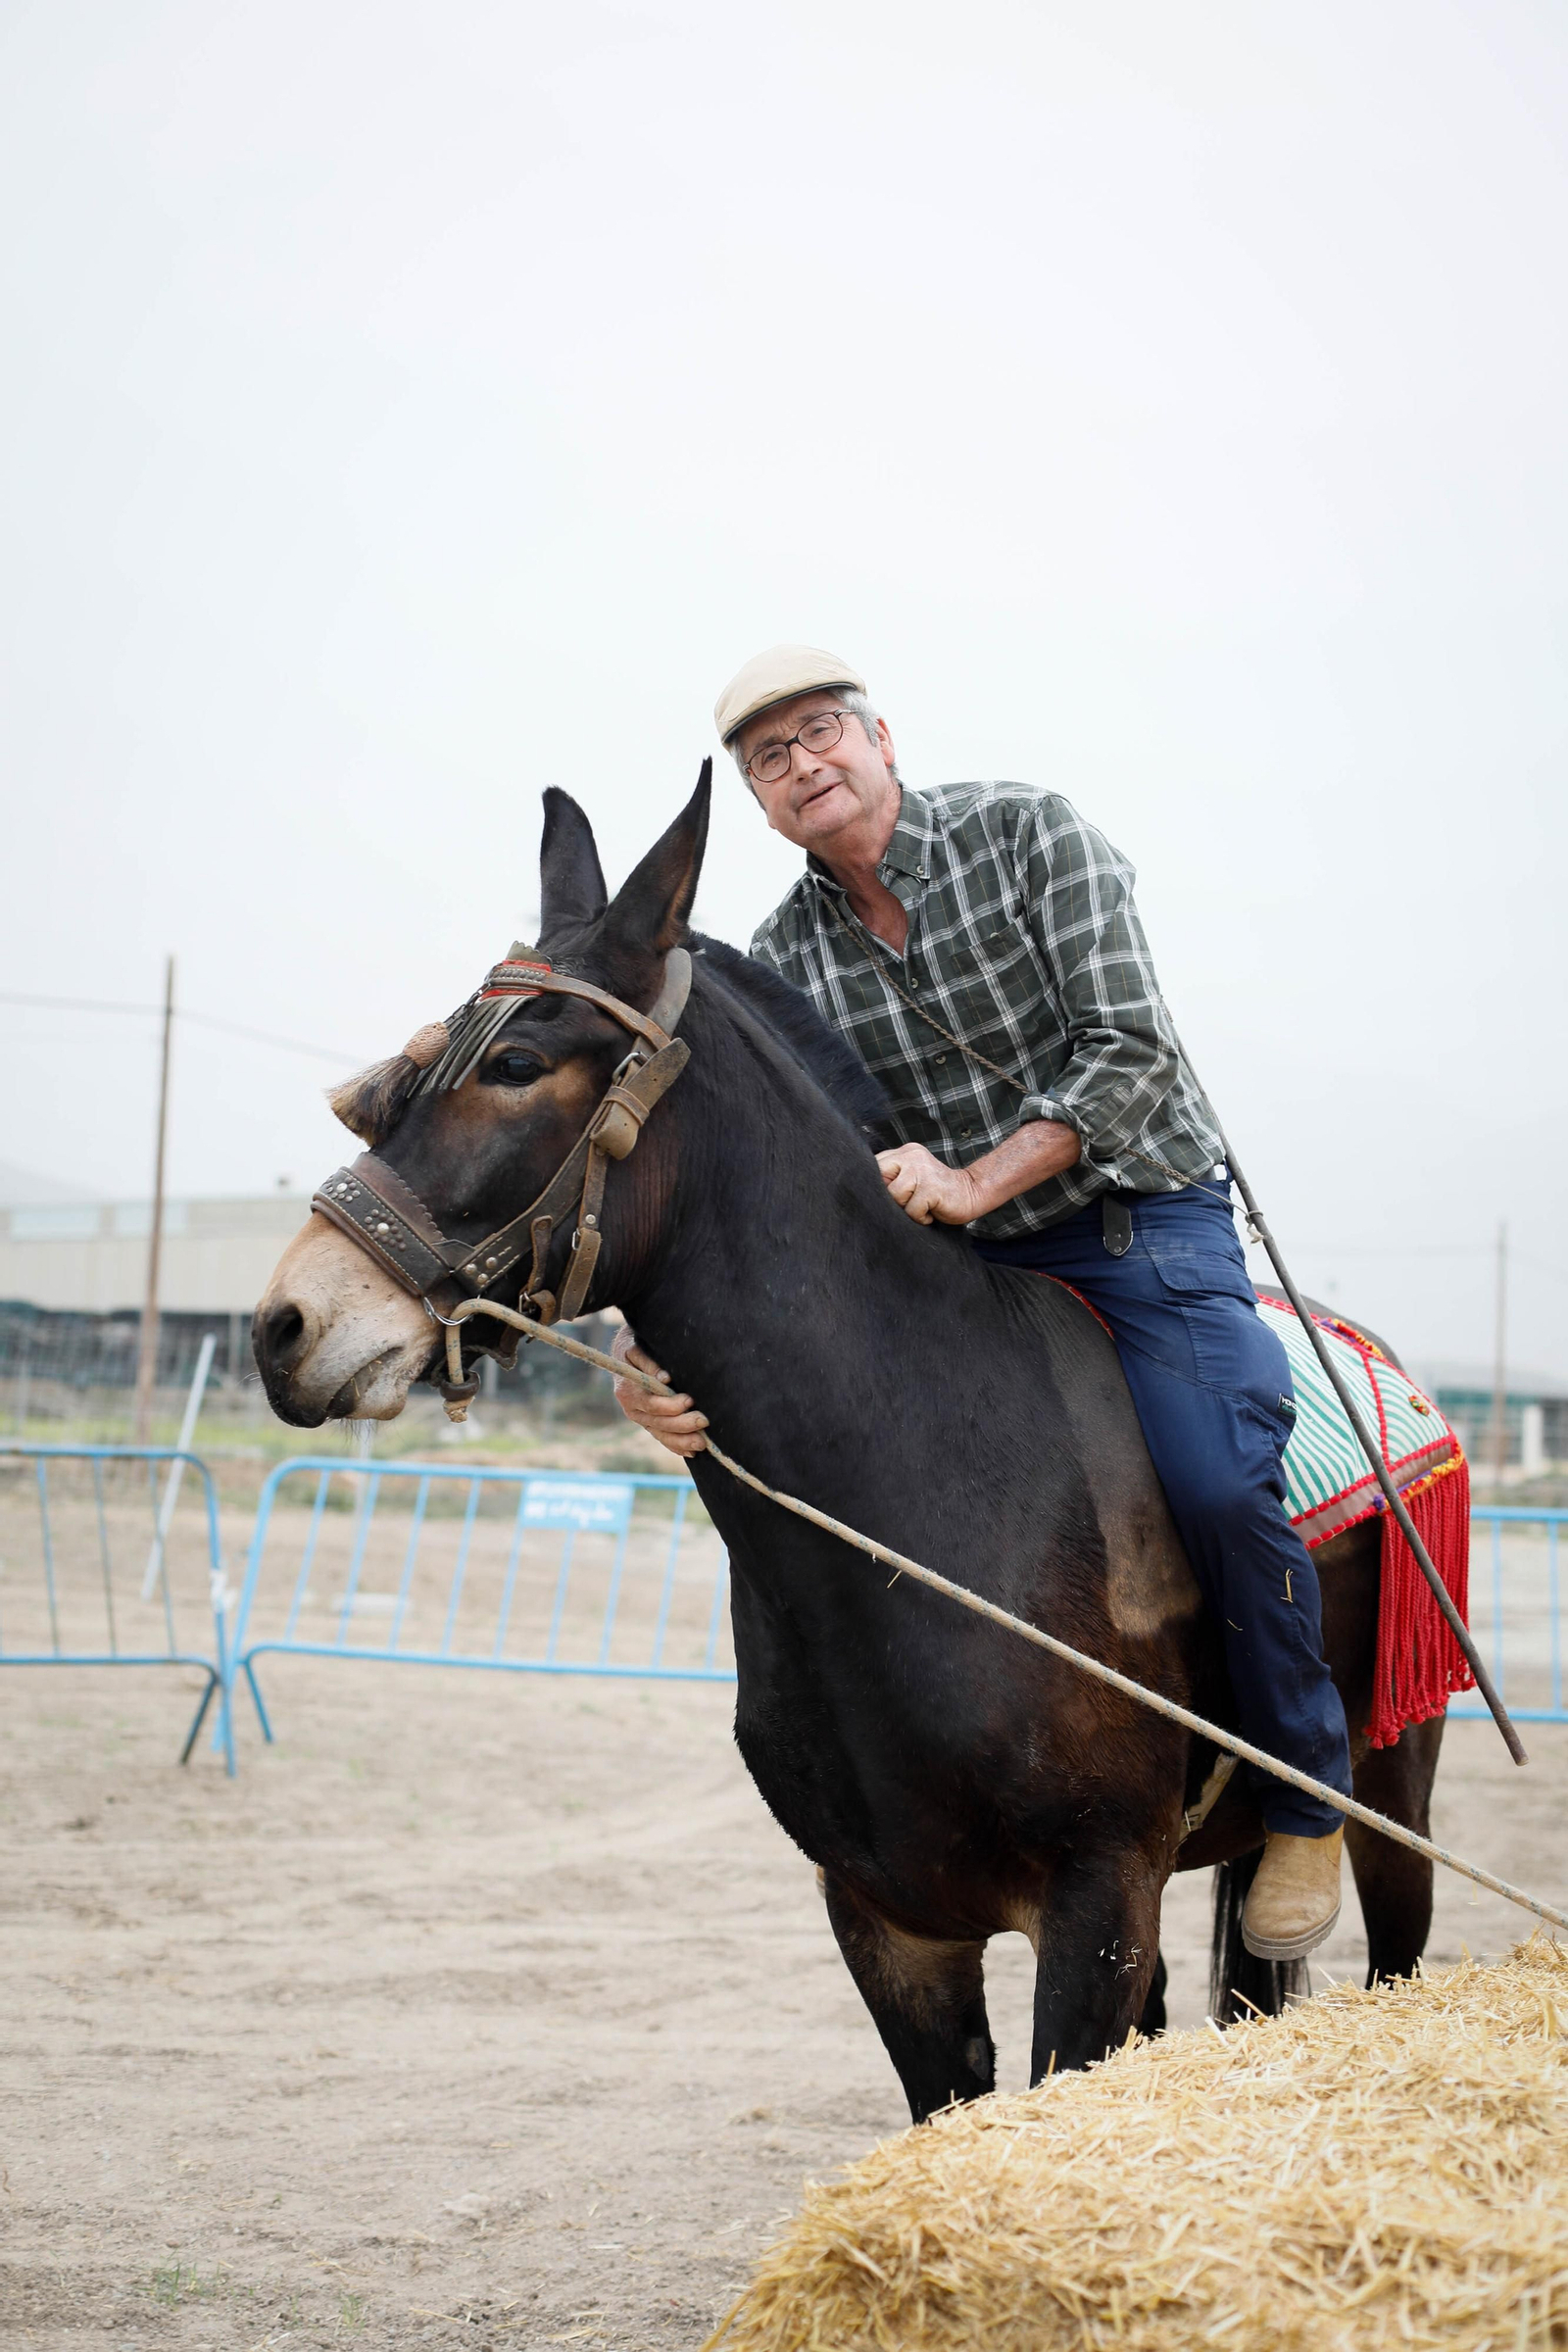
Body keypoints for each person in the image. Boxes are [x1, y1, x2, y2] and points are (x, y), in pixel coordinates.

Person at [612, 642, 1352, 1962]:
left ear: (882, 737)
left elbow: (1130, 1048)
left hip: (1142, 1225)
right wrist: (645, 1353)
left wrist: (976, 1175)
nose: (802, 766)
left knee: (1219, 1478)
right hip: (970, 1270)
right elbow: (767, 1181)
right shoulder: (787, 953)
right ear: (764, 803)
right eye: (768, 758)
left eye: (821, 731)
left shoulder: (1028, 836)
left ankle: (1304, 1793)